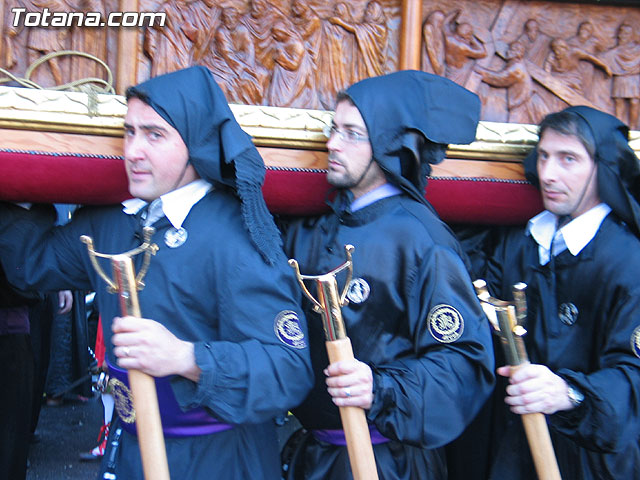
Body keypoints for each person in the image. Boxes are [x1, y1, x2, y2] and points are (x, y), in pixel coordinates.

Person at [0, 66, 312, 479]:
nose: (133, 151)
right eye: (129, 132)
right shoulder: (111, 221)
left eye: (154, 135)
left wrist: (187, 357)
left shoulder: (237, 236)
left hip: (218, 461)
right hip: (131, 454)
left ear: (196, 142)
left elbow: (288, 369)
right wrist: (24, 190)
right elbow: (30, 263)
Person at [280, 70, 495, 479]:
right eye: (333, 129)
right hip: (314, 458)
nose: (332, 144)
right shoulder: (316, 228)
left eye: (352, 133)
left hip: (389, 463)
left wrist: (379, 388)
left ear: (390, 145)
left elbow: (464, 362)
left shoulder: (421, 240)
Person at [456, 106, 640, 479]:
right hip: (509, 449)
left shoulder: (629, 261)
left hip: (591, 460)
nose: (548, 174)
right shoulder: (518, 243)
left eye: (567, 159)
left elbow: (634, 376)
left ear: (602, 166)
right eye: (543, 157)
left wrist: (569, 393)